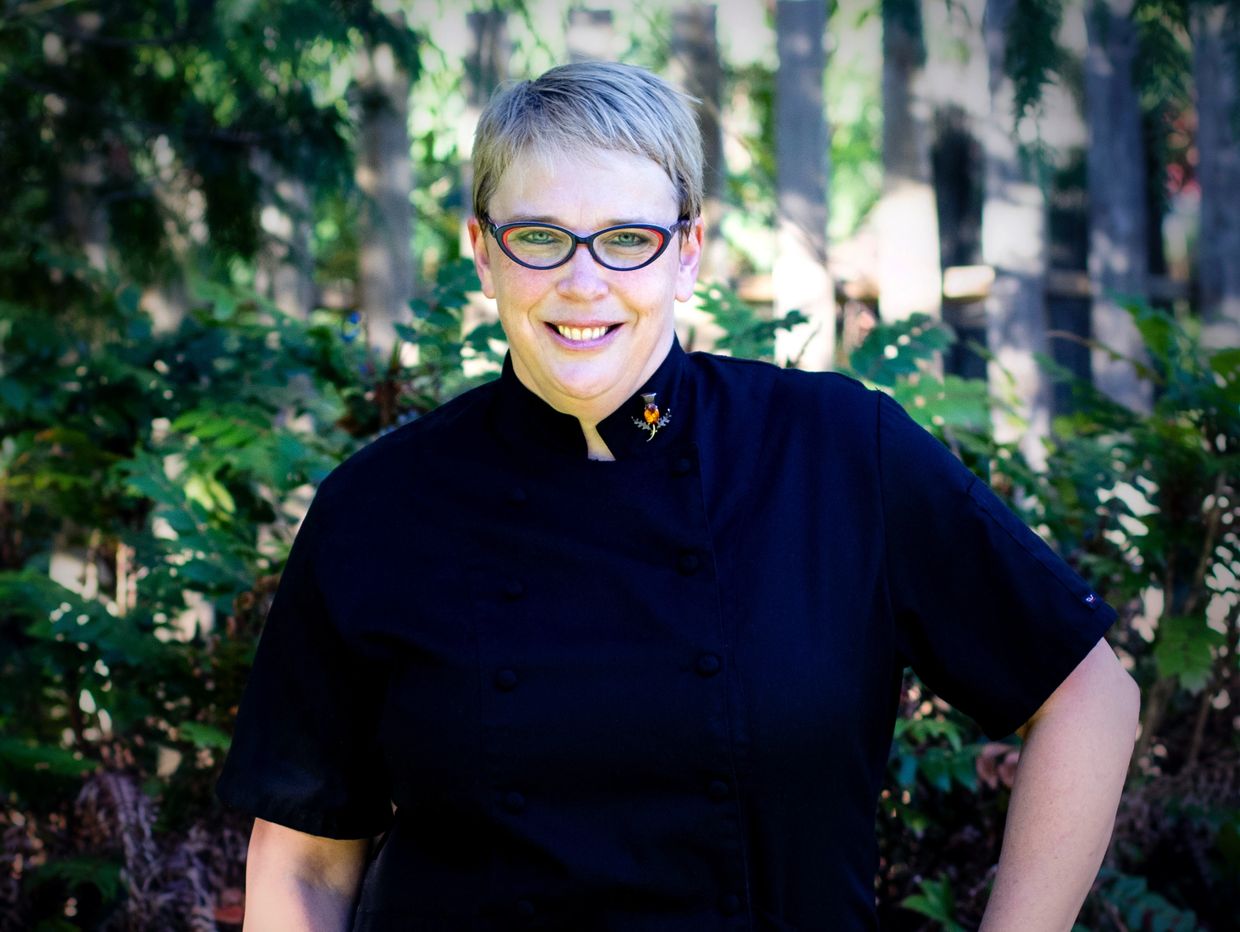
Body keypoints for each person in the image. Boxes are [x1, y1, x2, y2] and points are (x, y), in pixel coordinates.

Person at [217, 61, 1139, 931]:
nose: (584, 283)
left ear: (687, 252)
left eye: (628, 239)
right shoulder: (378, 511)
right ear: (483, 254)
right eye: (539, 238)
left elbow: (1089, 697)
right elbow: (303, 863)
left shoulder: (834, 455)